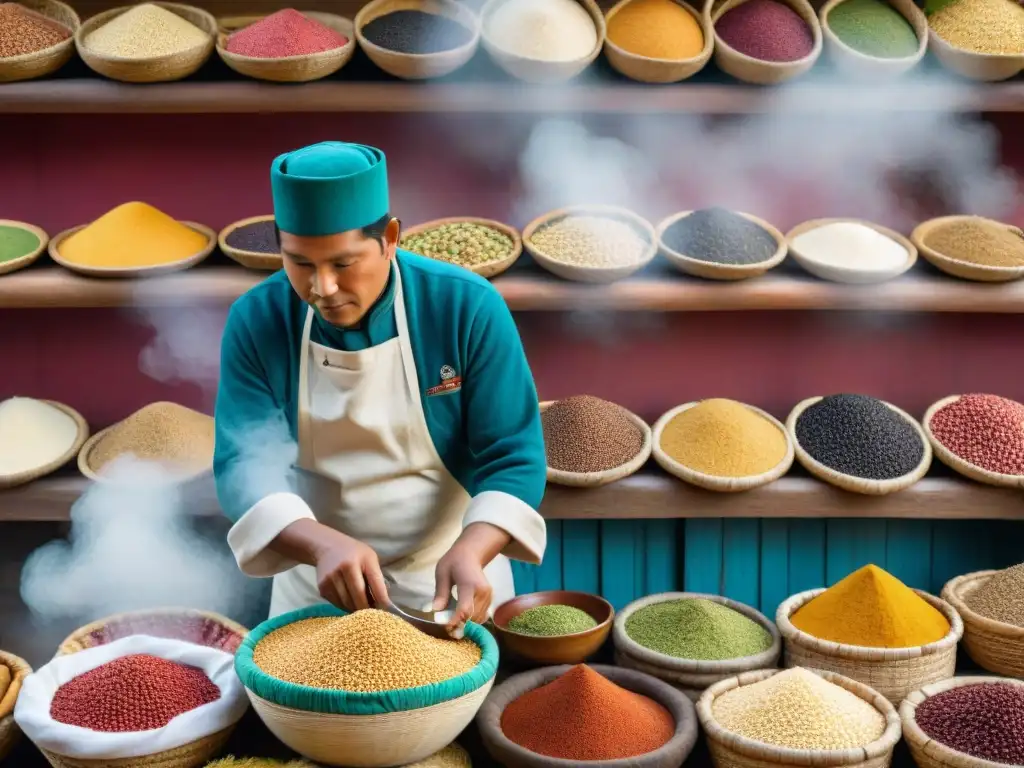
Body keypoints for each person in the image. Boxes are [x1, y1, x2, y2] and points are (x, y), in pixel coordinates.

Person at [214, 141, 547, 632]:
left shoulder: (464, 307)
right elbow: (243, 463)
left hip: (448, 582)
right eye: (300, 263)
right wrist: (319, 543)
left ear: (390, 238)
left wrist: (474, 547)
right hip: (315, 583)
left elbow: (514, 453)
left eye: (343, 264)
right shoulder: (256, 319)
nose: (321, 288)